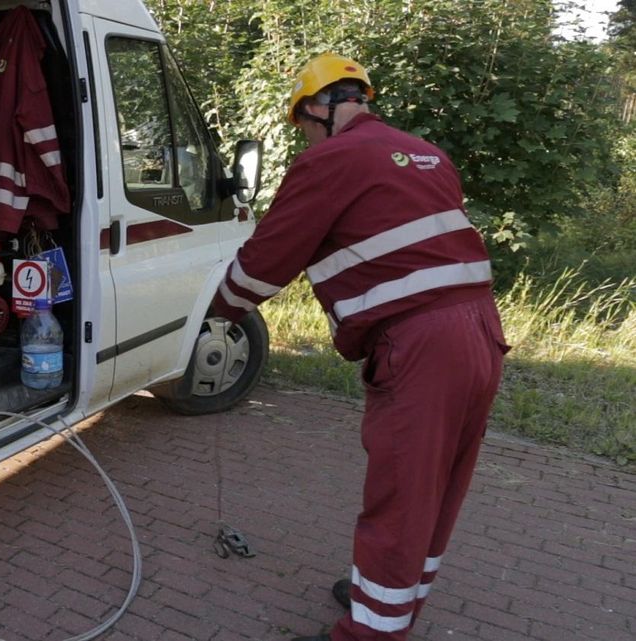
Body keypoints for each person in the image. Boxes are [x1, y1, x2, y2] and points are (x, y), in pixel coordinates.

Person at [211, 53, 508, 641]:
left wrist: (218, 313)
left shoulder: (331, 158)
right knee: (435, 490)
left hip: (423, 342)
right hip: (480, 330)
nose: (302, 137)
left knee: (399, 497)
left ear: (319, 108)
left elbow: (270, 256)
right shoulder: (423, 152)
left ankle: (372, 631)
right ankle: (390, 601)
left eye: (301, 124)